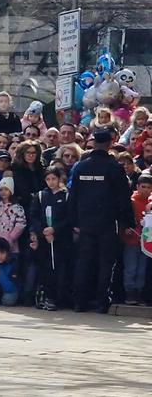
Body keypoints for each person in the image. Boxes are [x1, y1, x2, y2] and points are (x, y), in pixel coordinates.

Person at [67, 129, 134, 313]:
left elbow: (73, 195)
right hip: (107, 222)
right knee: (106, 262)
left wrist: (74, 220)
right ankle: (103, 301)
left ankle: (79, 301)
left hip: (85, 221)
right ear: (111, 143)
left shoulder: (82, 166)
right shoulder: (114, 167)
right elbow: (123, 197)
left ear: (94, 142)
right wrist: (128, 221)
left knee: (84, 261)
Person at [29, 167, 70, 310]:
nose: (51, 182)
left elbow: (69, 217)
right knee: (45, 267)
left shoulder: (66, 196)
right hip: (44, 239)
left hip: (61, 238)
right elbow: (34, 216)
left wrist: (55, 229)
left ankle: (57, 297)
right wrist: (43, 232)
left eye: (54, 179)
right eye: (48, 179)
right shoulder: (41, 196)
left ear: (59, 179)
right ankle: (45, 296)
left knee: (59, 268)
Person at [122, 173, 152, 304]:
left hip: (146, 242)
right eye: (143, 186)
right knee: (131, 267)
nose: (146, 190)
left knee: (141, 269)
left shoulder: (150, 203)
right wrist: (127, 229)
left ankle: (139, 292)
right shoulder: (131, 202)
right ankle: (129, 292)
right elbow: (126, 220)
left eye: (149, 187)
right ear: (137, 187)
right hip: (132, 240)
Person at [0, 177, 26, 257]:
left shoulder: (17, 208)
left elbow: (20, 225)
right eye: (1, 190)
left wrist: (10, 238)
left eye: (6, 189)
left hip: (10, 246)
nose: (3, 192)